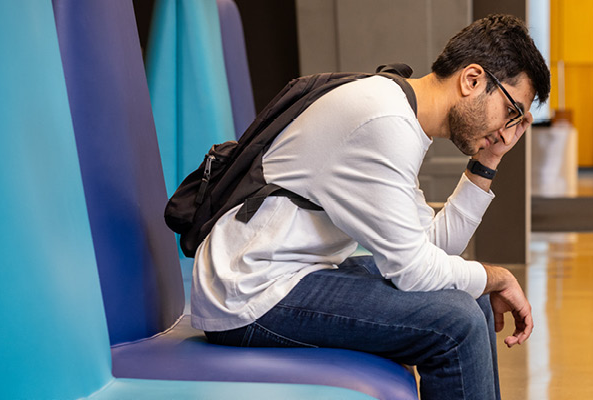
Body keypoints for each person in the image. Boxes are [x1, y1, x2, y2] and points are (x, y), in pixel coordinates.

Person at [190, 15, 549, 399]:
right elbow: (413, 270)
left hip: (291, 274)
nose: (508, 130)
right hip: (251, 294)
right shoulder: (385, 122)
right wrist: (499, 277)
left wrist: (489, 159)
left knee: (470, 298)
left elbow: (436, 248)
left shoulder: (398, 111)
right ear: (472, 80)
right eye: (512, 111)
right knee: (458, 323)